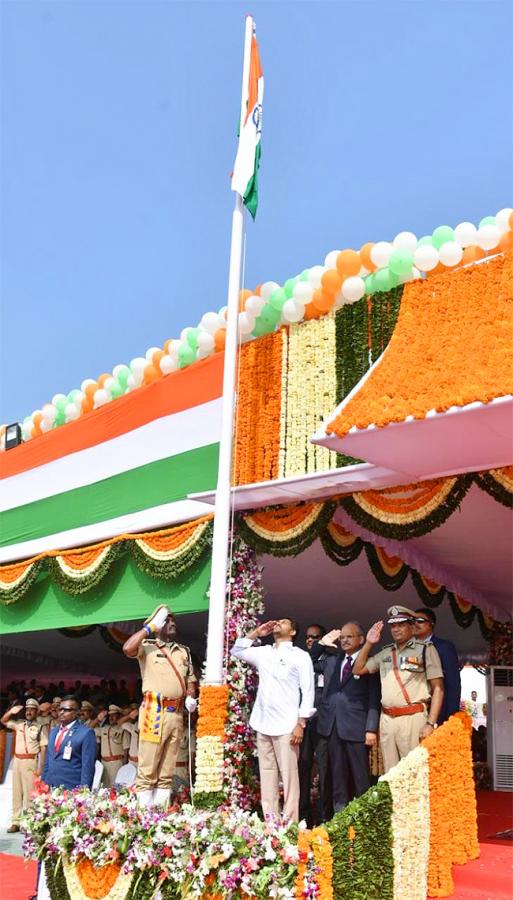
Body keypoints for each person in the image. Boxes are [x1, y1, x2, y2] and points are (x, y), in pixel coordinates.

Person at [231, 617, 315, 823]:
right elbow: (237, 650)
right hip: (263, 722)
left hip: (287, 725)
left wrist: (301, 723)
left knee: (289, 777)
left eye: (285, 622)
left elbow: (308, 690)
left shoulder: (300, 656)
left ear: (293, 632)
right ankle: (271, 822)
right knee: (267, 774)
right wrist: (257, 633)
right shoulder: (264, 652)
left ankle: (290, 824)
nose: (278, 623)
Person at [353, 606, 444, 773]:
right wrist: (369, 643)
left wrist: (430, 723)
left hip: (413, 717)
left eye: (401, 625)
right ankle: (396, 801)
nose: (396, 629)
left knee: (414, 772)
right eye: (393, 626)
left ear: (412, 626)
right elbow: (357, 670)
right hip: (387, 719)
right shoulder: (386, 652)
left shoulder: (425, 649)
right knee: (391, 774)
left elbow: (438, 689)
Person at [122, 605, 197, 807]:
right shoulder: (147, 646)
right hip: (153, 711)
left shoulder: (184, 652)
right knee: (148, 764)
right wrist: (150, 628)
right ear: (157, 624)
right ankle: (144, 813)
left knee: (167, 767)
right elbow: (127, 648)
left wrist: (191, 696)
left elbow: (190, 679)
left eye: (174, 619)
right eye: (167, 620)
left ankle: (160, 813)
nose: (172, 622)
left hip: (176, 713)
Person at [312, 622, 380, 813]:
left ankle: (364, 817)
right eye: (342, 637)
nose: (344, 640)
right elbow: (308, 662)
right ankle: (339, 818)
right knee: (337, 777)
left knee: (361, 778)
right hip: (332, 727)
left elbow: (375, 697)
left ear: (361, 639)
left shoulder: (369, 662)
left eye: (349, 636)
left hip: (357, 728)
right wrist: (321, 644)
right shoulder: (332, 660)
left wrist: (371, 728)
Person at [299, 623, 332, 825]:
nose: (310, 640)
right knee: (302, 768)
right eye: (308, 637)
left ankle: (323, 816)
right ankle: (302, 815)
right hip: (303, 724)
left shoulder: (331, 661)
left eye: (315, 637)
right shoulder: (301, 660)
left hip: (323, 723)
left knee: (324, 769)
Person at [1, 699, 48, 832]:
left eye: (32, 709)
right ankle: (15, 821)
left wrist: (40, 767)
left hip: (30, 761)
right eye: (27, 709)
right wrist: (10, 711)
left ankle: (27, 822)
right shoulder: (19, 724)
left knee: (29, 793)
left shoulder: (40, 727)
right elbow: (3, 721)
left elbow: (43, 748)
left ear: (36, 712)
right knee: (16, 792)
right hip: (17, 761)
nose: (29, 711)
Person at [414, 608, 461, 723]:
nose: (415, 624)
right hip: (413, 714)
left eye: (419, 621)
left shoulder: (444, 647)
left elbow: (453, 683)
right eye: (412, 621)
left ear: (431, 624)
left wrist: (451, 717)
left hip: (437, 712)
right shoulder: (407, 649)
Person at [41, 695, 97, 790]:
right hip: (50, 787)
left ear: (78, 712)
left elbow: (88, 767)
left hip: (71, 790)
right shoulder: (54, 731)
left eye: (67, 710)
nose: (62, 712)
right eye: (60, 709)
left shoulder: (86, 733)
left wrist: (83, 792)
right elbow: (48, 760)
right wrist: (43, 784)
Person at [96, 704, 129, 786]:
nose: (111, 717)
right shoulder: (104, 729)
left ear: (119, 716)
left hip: (117, 763)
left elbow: (126, 750)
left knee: (117, 789)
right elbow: (88, 729)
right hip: (104, 764)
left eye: (114, 715)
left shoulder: (123, 729)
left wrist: (124, 767)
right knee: (105, 789)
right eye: (110, 716)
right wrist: (97, 719)